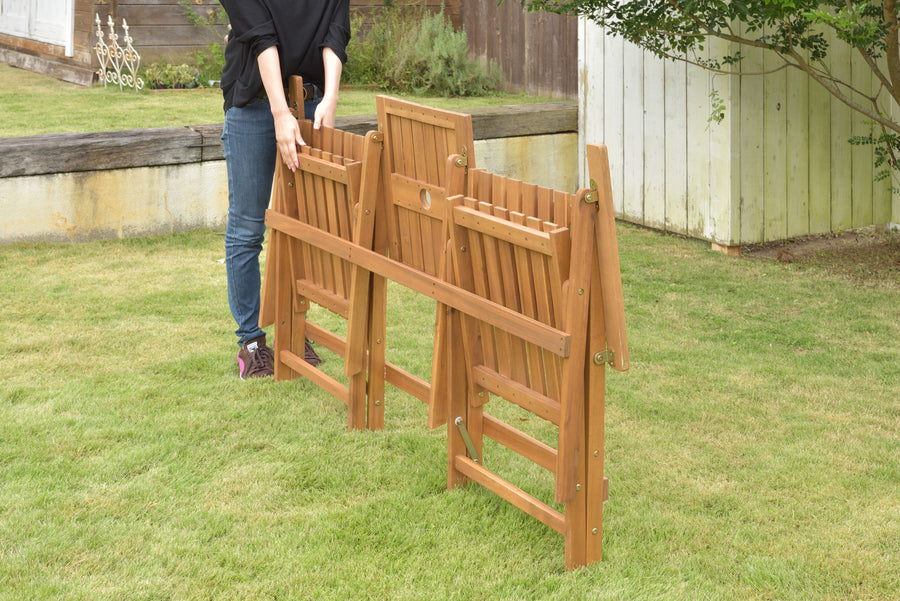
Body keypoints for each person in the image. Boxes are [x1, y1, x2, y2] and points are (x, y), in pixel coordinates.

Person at [218, 0, 350, 379]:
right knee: (247, 230)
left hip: (309, 104)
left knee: (301, 228)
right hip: (254, 106)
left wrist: (330, 97)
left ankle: (292, 329)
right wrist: (280, 112)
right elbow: (262, 37)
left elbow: (335, 34)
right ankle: (251, 341)